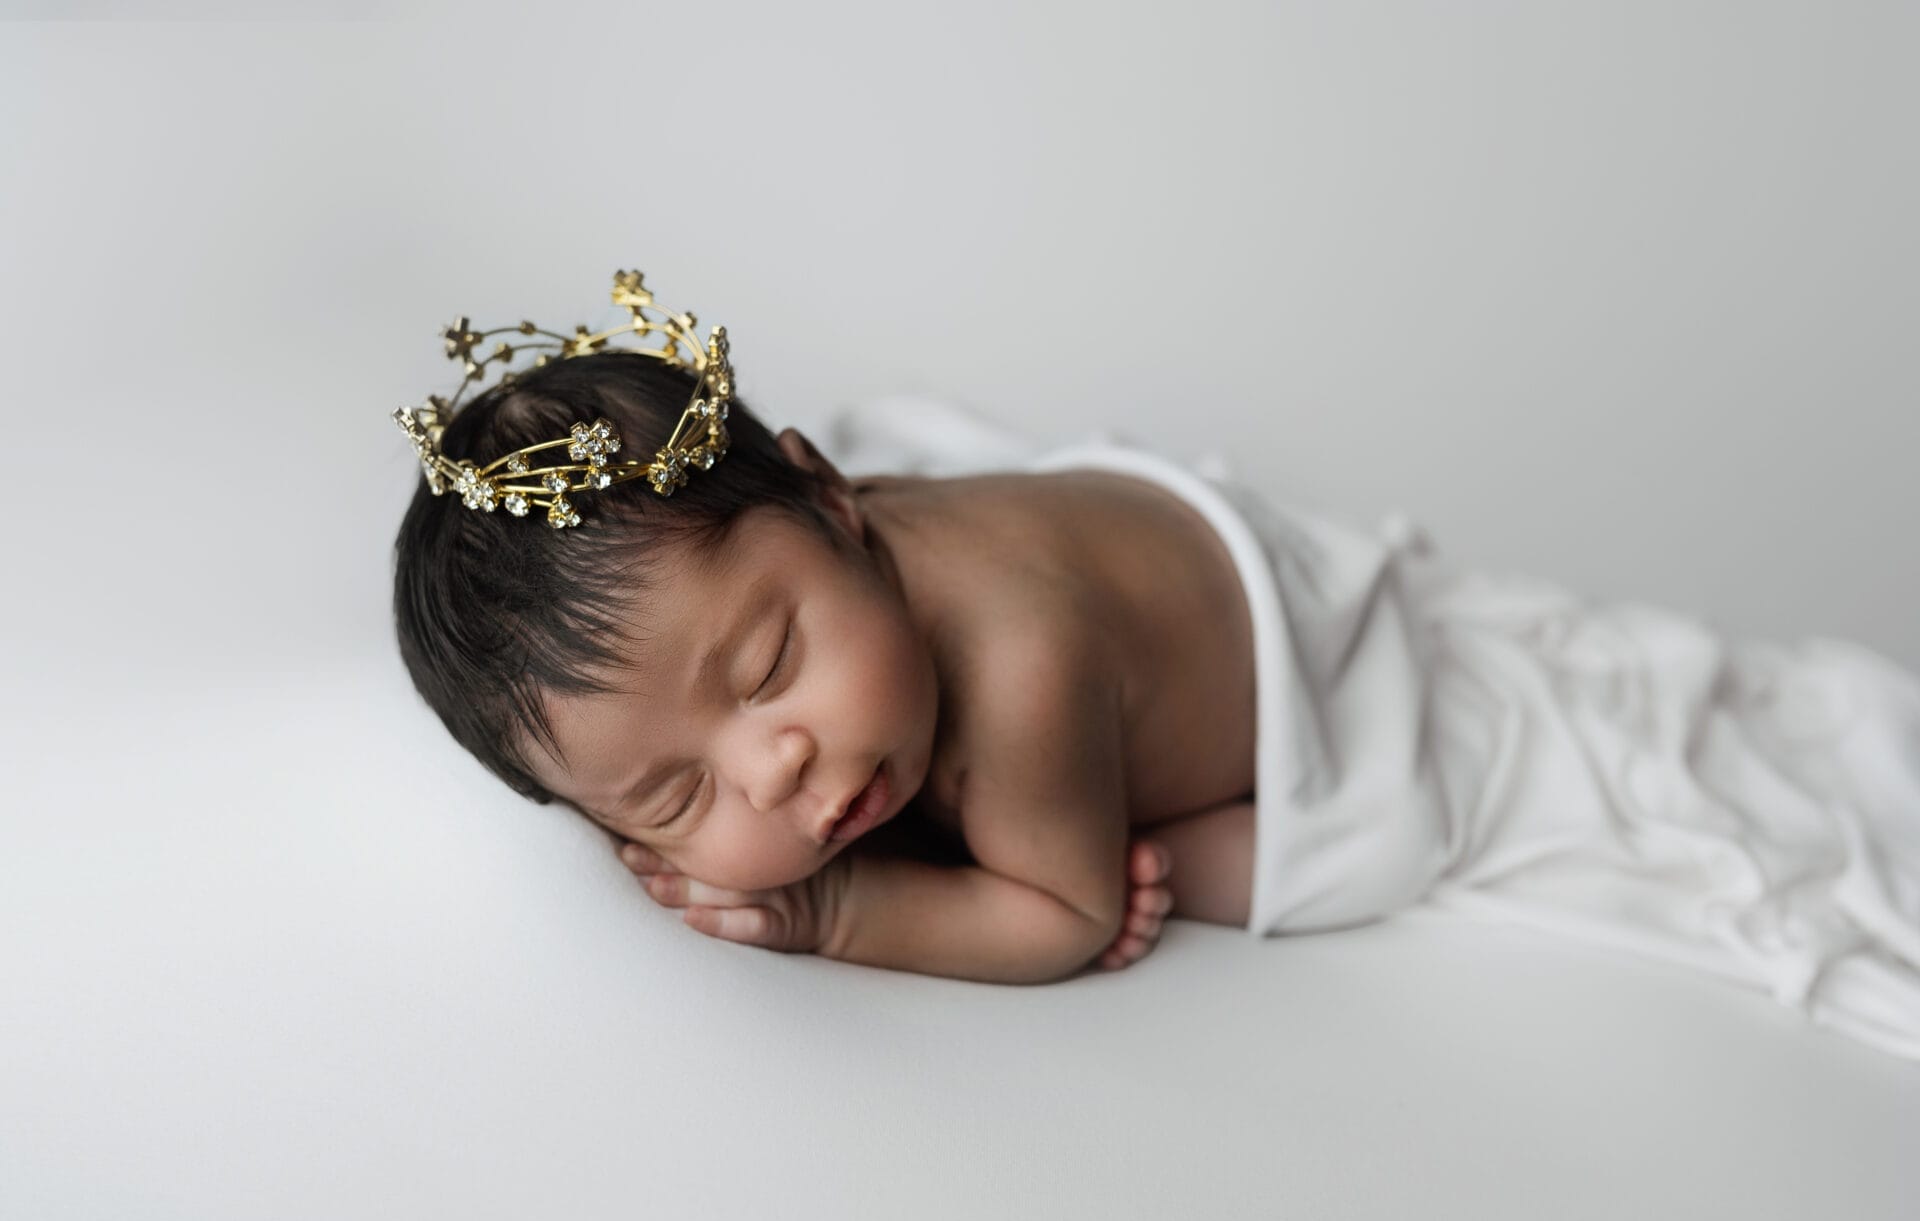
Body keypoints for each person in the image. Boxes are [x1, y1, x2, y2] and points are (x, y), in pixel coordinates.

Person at [393, 271, 1920, 1057]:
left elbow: (1058, 920)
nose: (776, 765)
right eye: (672, 791)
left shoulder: (1023, 675)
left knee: (1281, 856)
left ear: (838, 499)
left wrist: (842, 906)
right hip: (1144, 554)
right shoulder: (823, 570)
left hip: (1331, 696)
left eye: (774, 660)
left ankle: (1237, 801)